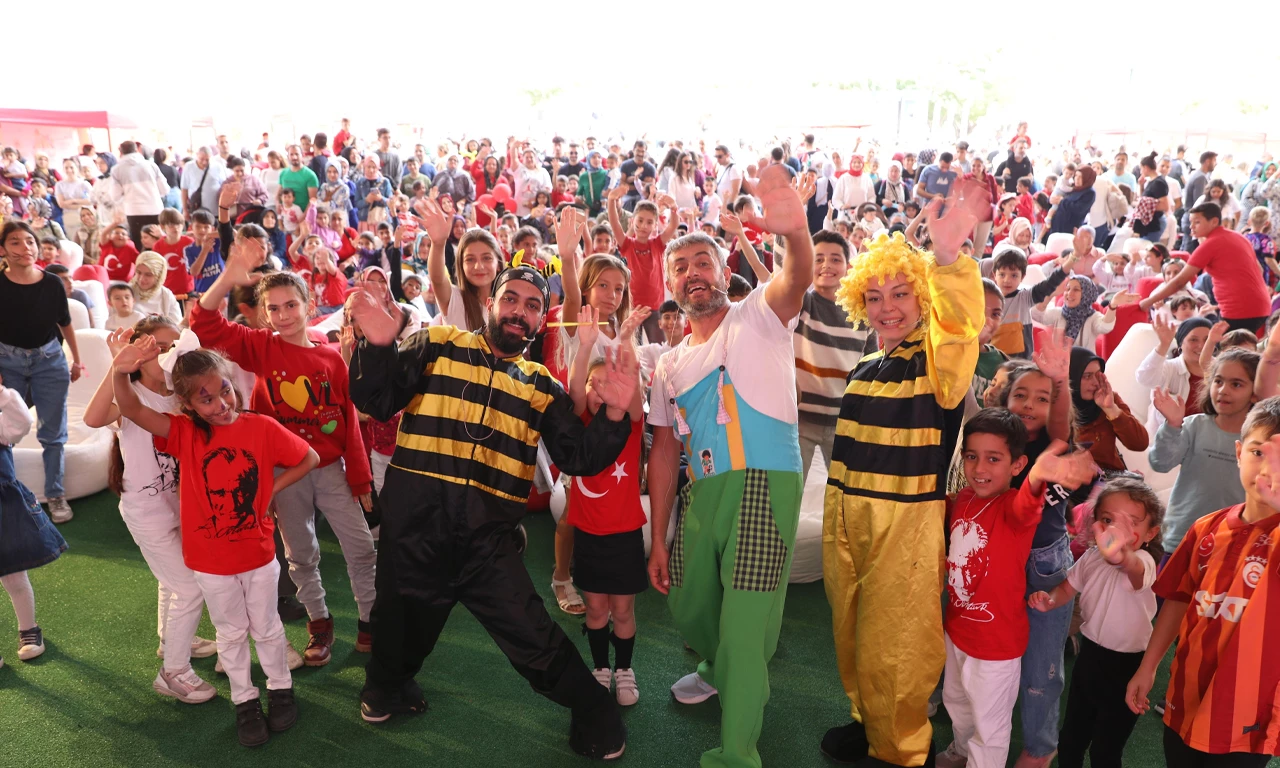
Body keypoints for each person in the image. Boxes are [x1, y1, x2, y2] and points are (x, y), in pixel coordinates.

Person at [348, 257, 638, 761]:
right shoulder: (437, 343)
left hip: (488, 545)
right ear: (489, 302)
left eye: (532, 306)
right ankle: (382, 691)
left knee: (535, 638)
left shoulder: (543, 385)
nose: (519, 313)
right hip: (413, 532)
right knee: (398, 622)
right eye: (511, 300)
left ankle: (595, 713)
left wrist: (614, 414)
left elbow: (579, 457)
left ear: (541, 320)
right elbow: (376, 398)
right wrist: (376, 346)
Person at [644, 165, 814, 768]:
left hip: (765, 483)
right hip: (702, 492)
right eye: (681, 267)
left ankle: (738, 751)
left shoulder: (758, 316)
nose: (693, 273)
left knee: (744, 623)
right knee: (688, 600)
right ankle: (723, 666)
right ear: (670, 284)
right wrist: (660, 534)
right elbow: (665, 450)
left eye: (703, 262)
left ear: (725, 272)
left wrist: (794, 231)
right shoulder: (667, 363)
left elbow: (797, 278)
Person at [815, 178, 989, 768]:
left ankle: (902, 751)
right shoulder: (868, 360)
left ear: (922, 300)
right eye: (874, 296)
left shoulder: (936, 360)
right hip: (847, 511)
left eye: (901, 295)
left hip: (905, 518)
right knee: (854, 627)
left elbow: (960, 330)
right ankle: (869, 724)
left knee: (898, 641)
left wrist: (945, 260)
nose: (887, 307)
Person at [111, 337, 319, 747]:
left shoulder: (260, 426)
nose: (221, 404)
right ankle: (244, 701)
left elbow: (308, 457)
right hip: (209, 561)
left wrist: (269, 490)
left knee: (268, 628)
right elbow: (132, 409)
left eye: (224, 390)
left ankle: (281, 689)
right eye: (206, 399)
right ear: (188, 406)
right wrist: (120, 369)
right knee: (231, 632)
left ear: (232, 382)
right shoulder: (184, 432)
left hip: (259, 555)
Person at [191, 246, 378, 667]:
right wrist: (227, 278)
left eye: (291, 305)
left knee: (362, 548)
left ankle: (370, 622)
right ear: (264, 314)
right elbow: (204, 323)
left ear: (308, 305)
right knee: (301, 555)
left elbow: (347, 420)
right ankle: (320, 623)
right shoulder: (260, 347)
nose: (283, 314)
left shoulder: (330, 356)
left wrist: (361, 480)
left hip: (331, 469)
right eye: (273, 308)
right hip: (285, 473)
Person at [937, 409, 1096, 768]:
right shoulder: (964, 499)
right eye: (972, 456)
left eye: (994, 459)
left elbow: (1027, 501)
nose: (980, 468)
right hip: (958, 632)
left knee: (989, 727)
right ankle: (962, 752)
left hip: (995, 648)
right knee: (957, 704)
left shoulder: (1014, 509)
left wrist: (1039, 474)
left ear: (1016, 464)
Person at [1126, 396, 1280, 767]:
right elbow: (1178, 601)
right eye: (1260, 452)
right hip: (1185, 696)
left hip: (1246, 718)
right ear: (1239, 452)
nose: (1268, 468)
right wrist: (1148, 666)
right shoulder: (1206, 528)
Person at [84, 320, 223, 702]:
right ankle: (173, 672)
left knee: (172, 581)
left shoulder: (179, 398)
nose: (167, 354)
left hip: (178, 509)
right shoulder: (131, 399)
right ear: (139, 357)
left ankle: (172, 641)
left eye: (172, 345)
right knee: (189, 588)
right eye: (157, 347)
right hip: (147, 513)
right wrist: (119, 367)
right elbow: (93, 419)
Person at [1028, 477, 1163, 768]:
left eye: (1131, 523)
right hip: (1090, 658)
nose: (1116, 529)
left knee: (1105, 750)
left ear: (1150, 532)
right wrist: (1048, 599)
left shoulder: (1144, 561)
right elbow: (1067, 588)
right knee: (1072, 739)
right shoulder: (1091, 557)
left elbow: (1134, 569)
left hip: (1126, 668)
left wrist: (1121, 554)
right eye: (1108, 519)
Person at [565, 304, 647, 707]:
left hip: (625, 536)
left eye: (608, 383)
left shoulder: (629, 427)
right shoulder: (580, 426)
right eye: (595, 385)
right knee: (595, 610)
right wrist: (584, 348)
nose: (601, 390)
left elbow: (632, 393)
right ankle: (600, 668)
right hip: (589, 537)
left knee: (623, 611)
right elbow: (577, 389)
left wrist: (625, 340)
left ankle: (625, 670)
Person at [0, 221, 82, 524]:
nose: (25, 248)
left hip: (50, 360)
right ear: (3, 250)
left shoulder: (52, 283)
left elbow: (65, 321)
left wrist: (76, 360)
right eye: (16, 242)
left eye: (30, 242)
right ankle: (8, 493)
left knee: (53, 432)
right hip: (7, 361)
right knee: (6, 430)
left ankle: (55, 493)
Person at [1148, 349, 1256, 567]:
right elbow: (1160, 463)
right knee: (1166, 602)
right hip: (1182, 537)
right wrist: (1172, 426)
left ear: (1255, 393)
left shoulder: (1259, 440)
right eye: (1218, 381)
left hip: (1232, 544)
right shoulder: (1194, 425)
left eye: (1236, 384)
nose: (1223, 390)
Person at [793, 230, 873, 481]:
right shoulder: (801, 304)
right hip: (799, 421)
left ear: (848, 267)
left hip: (843, 420)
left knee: (846, 496)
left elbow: (869, 370)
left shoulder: (862, 315)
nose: (826, 265)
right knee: (788, 495)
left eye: (835, 259)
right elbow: (784, 275)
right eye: (818, 259)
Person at [0, 371, 67, 669]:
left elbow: (21, 422)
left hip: (4, 511)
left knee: (14, 575)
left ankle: (29, 630)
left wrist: (2, 394)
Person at [1142, 203, 1270, 333]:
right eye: (1190, 222)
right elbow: (1259, 269)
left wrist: (1146, 302)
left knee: (1225, 350)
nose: (1191, 226)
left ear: (1214, 221)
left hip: (1239, 310)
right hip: (1261, 305)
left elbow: (1180, 282)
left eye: (1197, 222)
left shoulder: (1211, 244)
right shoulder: (1238, 236)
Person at [608, 186, 679, 344]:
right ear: (633, 222)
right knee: (633, 347)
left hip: (654, 305)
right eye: (640, 220)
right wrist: (612, 200)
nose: (644, 226)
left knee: (658, 345)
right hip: (632, 307)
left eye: (649, 222)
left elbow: (673, 225)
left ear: (655, 225)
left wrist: (674, 207)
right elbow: (614, 223)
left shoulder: (657, 244)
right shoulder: (627, 244)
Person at [982, 245, 1075, 358]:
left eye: (1014, 275)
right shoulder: (986, 300)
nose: (1007, 280)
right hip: (994, 361)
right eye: (1002, 274)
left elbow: (1050, 283)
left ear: (1022, 277)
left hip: (1021, 363)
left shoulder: (1025, 297)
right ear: (994, 275)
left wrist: (1073, 259)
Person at [1069, 347, 1149, 473]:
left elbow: (1140, 443)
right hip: (1074, 485)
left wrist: (1111, 409)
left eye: (1098, 375)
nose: (1095, 382)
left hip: (1113, 481)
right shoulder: (1057, 410)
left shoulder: (1109, 399)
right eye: (1087, 376)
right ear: (1071, 378)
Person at [1032, 275, 1137, 351]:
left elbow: (1105, 326)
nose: (1069, 293)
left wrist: (1113, 305)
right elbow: (1036, 316)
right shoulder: (1057, 313)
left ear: (1087, 294)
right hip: (1056, 366)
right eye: (1067, 289)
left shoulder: (1093, 317)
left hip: (1083, 367)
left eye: (1076, 290)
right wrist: (1050, 295)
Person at [112, 141, 169, 249]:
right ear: (137, 149)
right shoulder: (151, 165)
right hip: (155, 209)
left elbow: (115, 196)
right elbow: (165, 190)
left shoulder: (117, 170)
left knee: (139, 244)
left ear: (120, 151)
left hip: (133, 211)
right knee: (158, 243)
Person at [130, 251, 183, 324]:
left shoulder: (166, 295)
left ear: (159, 276)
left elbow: (176, 325)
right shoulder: (126, 291)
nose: (141, 278)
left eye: (148, 275)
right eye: (139, 272)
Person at [180, 147, 226, 220]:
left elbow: (223, 186)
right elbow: (184, 189)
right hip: (196, 208)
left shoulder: (217, 166)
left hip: (214, 210)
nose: (204, 162)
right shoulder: (189, 166)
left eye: (207, 160)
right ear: (197, 155)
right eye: (201, 159)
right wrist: (185, 210)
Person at [278, 145, 319, 213]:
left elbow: (313, 201)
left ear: (302, 155)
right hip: (286, 215)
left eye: (297, 154)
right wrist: (277, 204)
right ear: (288, 156)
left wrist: (302, 218)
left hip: (304, 216)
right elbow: (278, 194)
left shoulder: (310, 175)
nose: (294, 157)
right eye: (291, 154)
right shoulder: (283, 173)